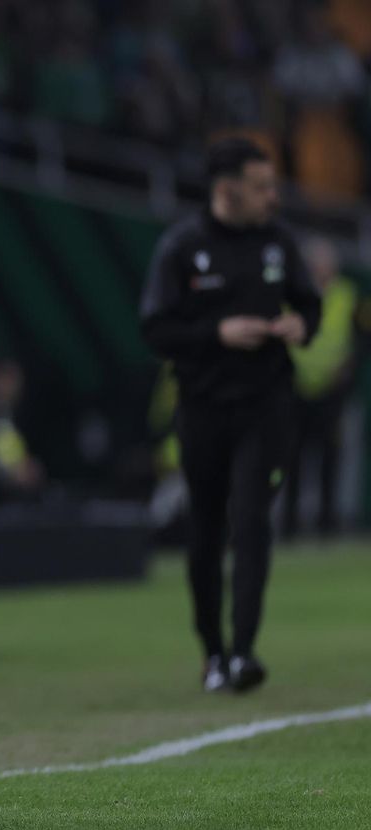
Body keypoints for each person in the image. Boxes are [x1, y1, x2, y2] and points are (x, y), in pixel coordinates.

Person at [140, 136, 320, 695]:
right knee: (207, 528)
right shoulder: (181, 247)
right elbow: (156, 328)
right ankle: (212, 653)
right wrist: (217, 333)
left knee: (251, 521)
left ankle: (243, 652)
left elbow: (309, 303)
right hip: (204, 408)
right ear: (227, 190)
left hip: (266, 405)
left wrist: (301, 325)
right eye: (261, 187)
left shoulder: (278, 241)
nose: (273, 197)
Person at [282, 237, 363, 538]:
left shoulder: (347, 293)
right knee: (292, 457)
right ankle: (289, 524)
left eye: (327, 263)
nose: (322, 268)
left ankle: (327, 523)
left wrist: (347, 370)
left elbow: (359, 338)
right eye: (317, 263)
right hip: (295, 388)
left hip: (333, 390)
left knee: (330, 456)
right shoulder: (293, 291)